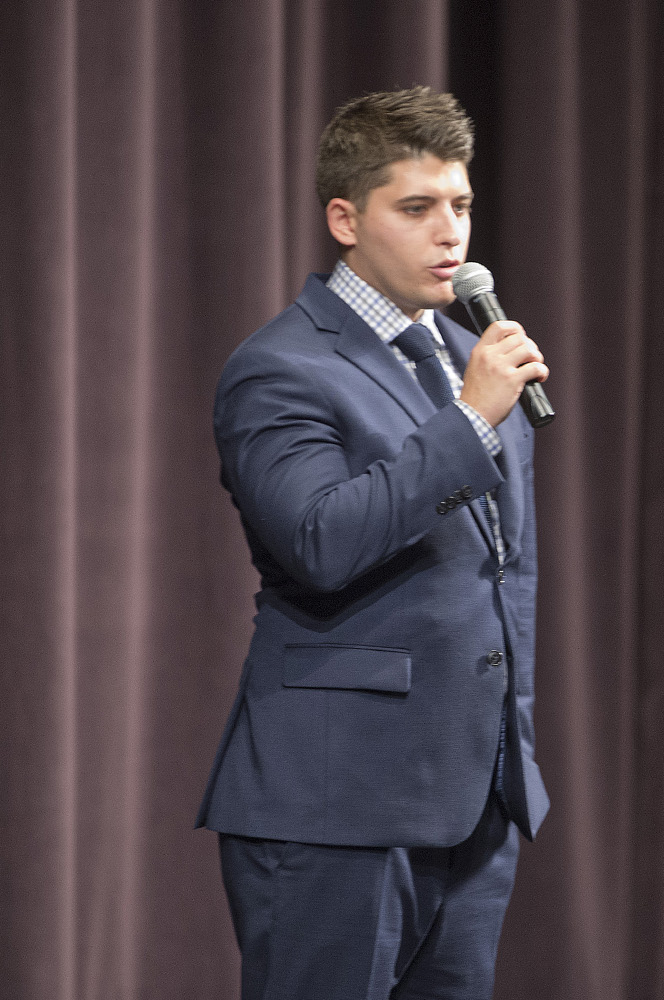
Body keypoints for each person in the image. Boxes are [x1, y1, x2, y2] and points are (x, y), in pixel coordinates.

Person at [196, 86, 550, 999]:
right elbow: (319, 540)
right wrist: (470, 418)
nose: (451, 235)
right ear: (345, 219)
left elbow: (504, 577)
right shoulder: (282, 366)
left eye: (462, 206)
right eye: (418, 208)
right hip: (336, 805)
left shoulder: (471, 359)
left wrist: (515, 757)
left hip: (473, 801)